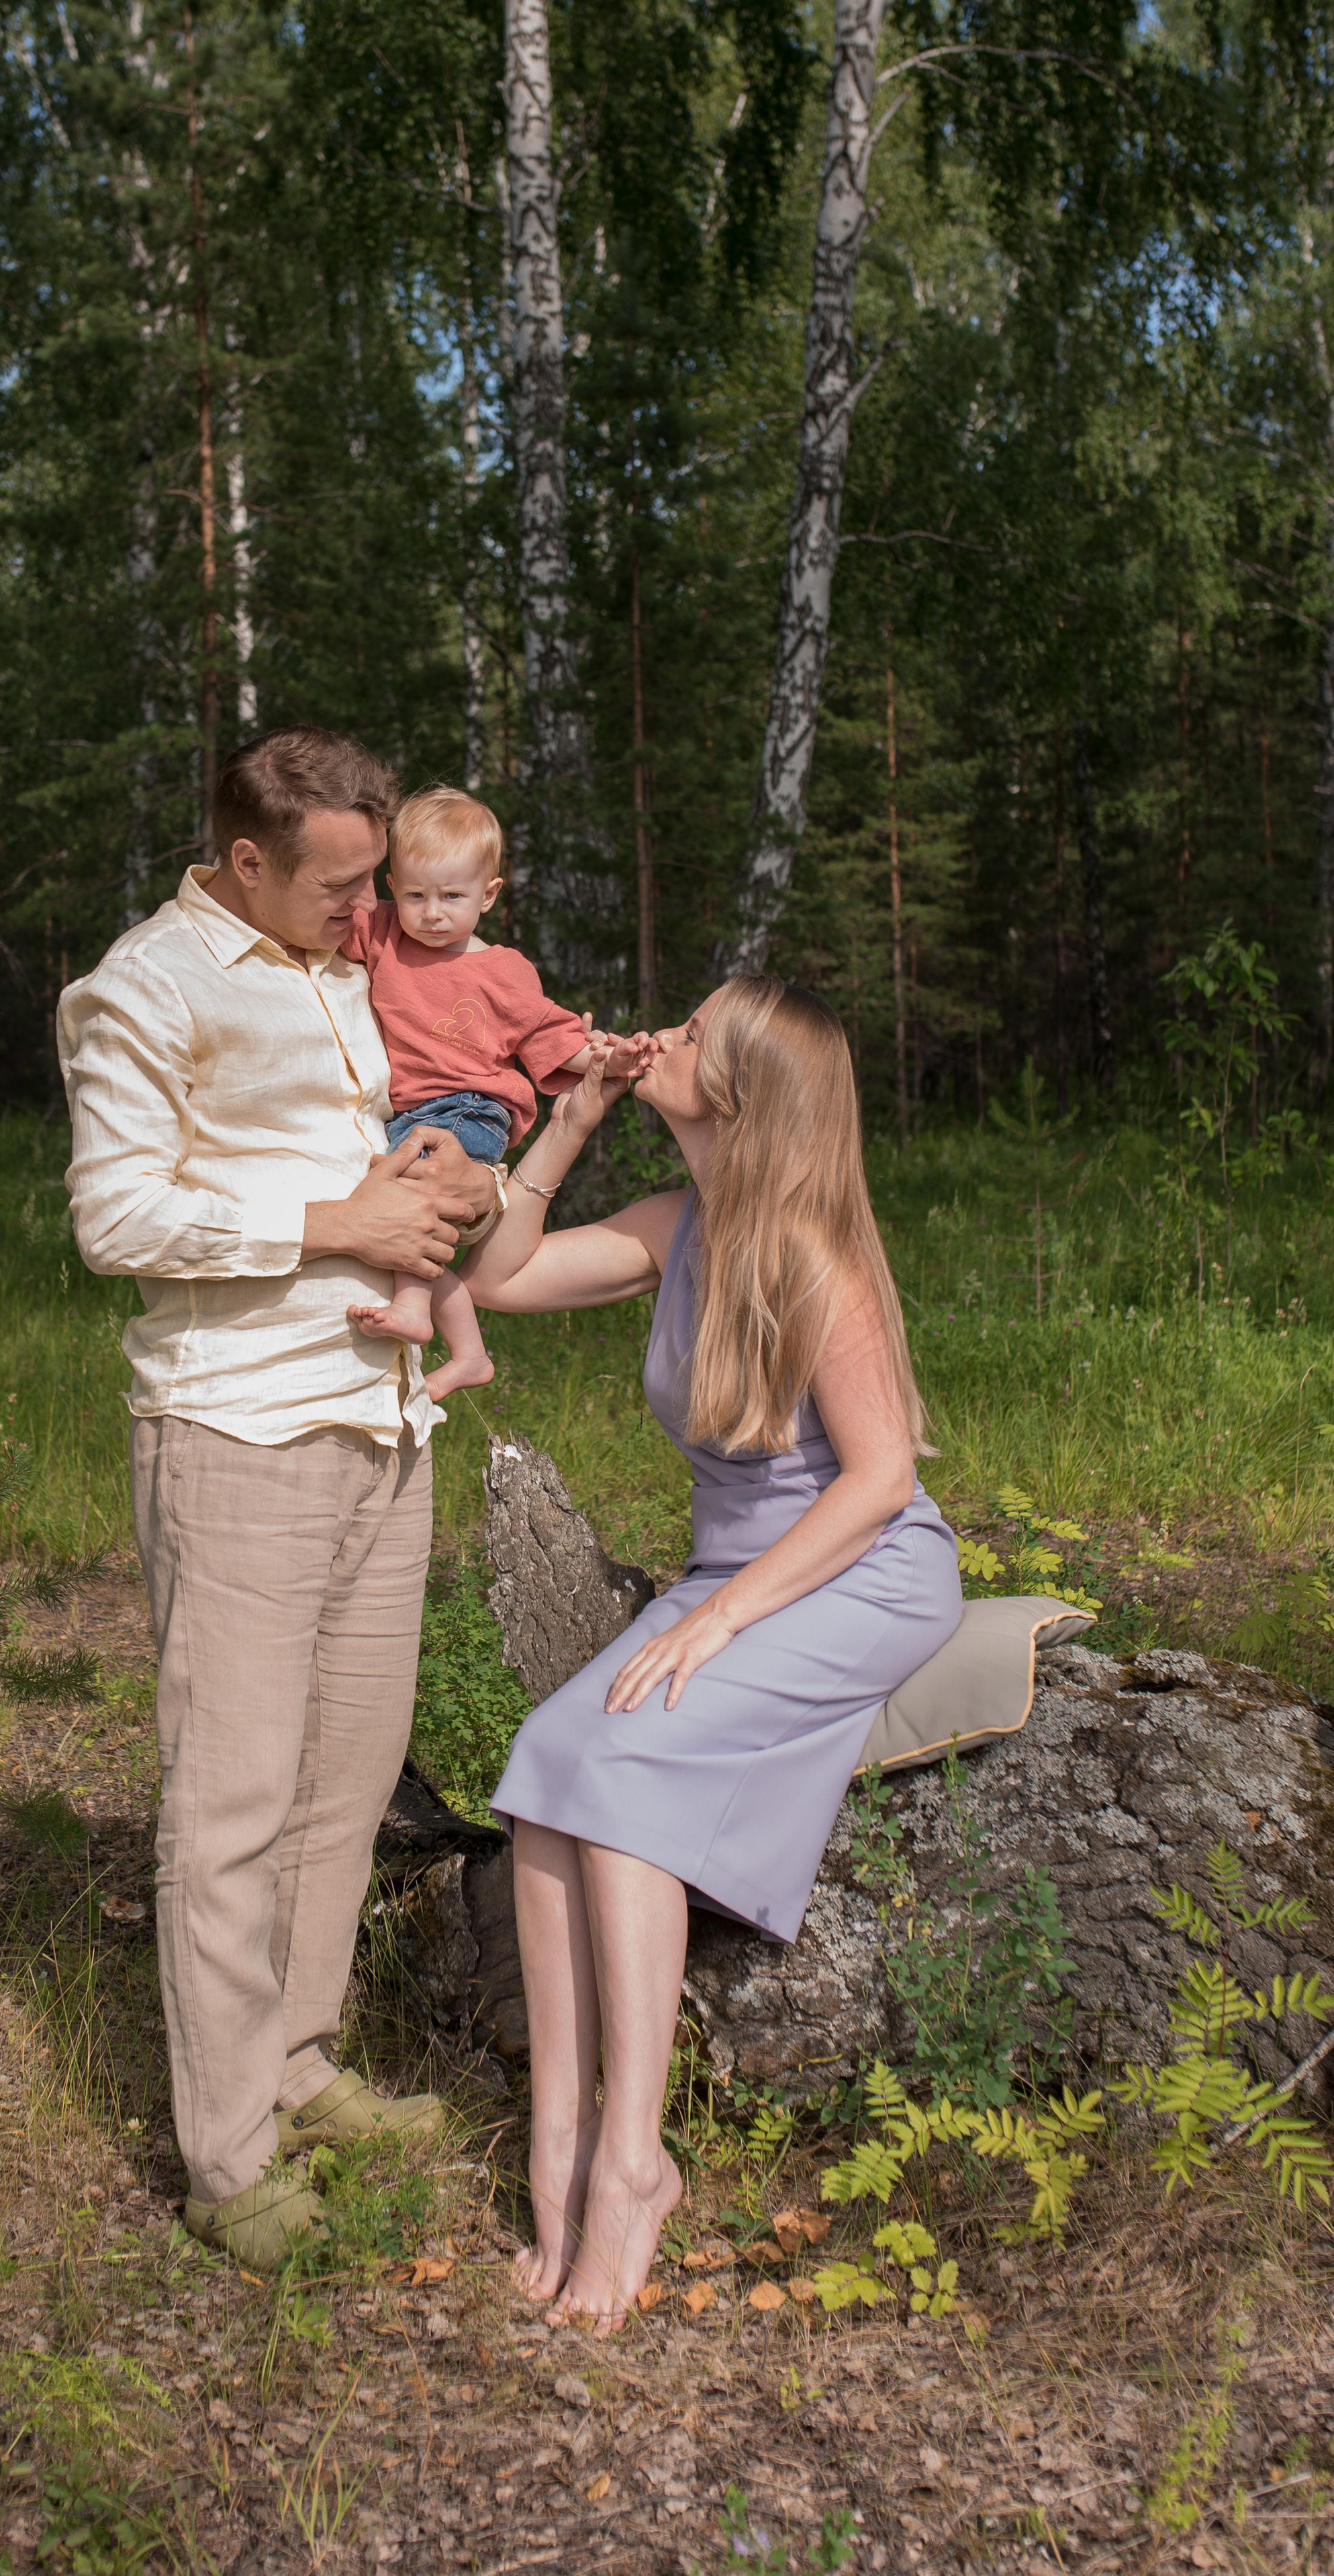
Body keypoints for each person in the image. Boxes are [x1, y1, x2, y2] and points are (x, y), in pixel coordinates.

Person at [57, 728, 503, 2269]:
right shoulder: (143, 988)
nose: (365, 906)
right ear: (242, 858)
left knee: (343, 1779)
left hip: (381, 1420)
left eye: (375, 877)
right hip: (234, 1434)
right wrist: (340, 1218)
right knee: (232, 1805)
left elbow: (396, 1152)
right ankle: (226, 2152)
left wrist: (454, 1178)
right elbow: (115, 1215)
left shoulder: (333, 967)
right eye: (337, 882)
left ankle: (303, 2065)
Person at [460, 973, 963, 2330]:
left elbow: (870, 1482)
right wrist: (566, 1121)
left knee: (622, 1777)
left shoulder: (811, 1253)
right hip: (738, 1570)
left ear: (733, 1089)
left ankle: (633, 2162)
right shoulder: (680, 1223)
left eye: (684, 1036)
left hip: (855, 1569)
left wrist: (719, 1615)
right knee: (538, 1770)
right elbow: (495, 1278)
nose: (656, 1037)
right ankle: (557, 2146)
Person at [340, 785, 598, 1400]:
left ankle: (413, 1312)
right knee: (417, 1236)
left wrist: (605, 1055)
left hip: (469, 1110)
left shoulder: (501, 969)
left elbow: (549, 1031)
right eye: (415, 894)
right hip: (412, 1118)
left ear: (488, 894)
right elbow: (321, 904)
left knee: (405, 1212)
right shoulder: (384, 937)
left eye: (452, 896)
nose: (432, 912)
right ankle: (471, 1354)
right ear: (392, 885)